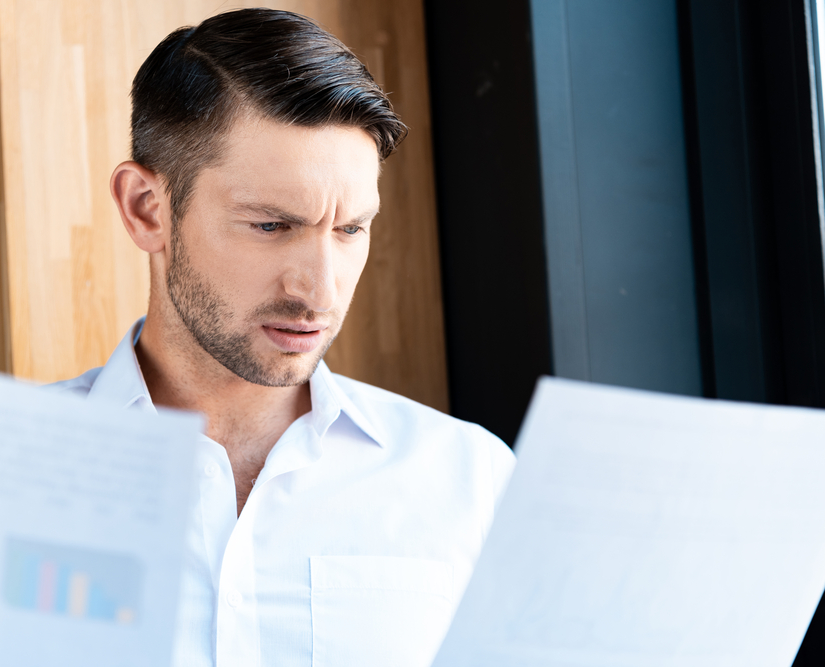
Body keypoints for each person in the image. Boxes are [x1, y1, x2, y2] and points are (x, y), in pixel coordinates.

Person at [53, 8, 514, 666]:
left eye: (350, 229)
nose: (319, 290)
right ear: (146, 209)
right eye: (270, 225)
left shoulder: (472, 481)